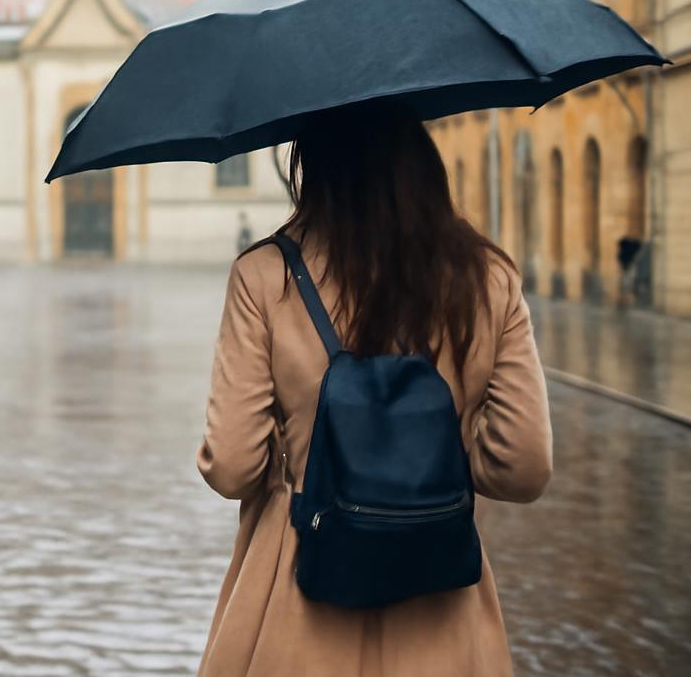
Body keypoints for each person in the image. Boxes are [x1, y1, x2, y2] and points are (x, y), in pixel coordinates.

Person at [196, 106, 552, 677]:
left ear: (312, 166)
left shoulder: (264, 276)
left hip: (299, 580)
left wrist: (300, 467)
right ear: (423, 163)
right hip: (440, 595)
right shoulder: (489, 278)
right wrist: (435, 461)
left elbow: (233, 465)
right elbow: (524, 467)